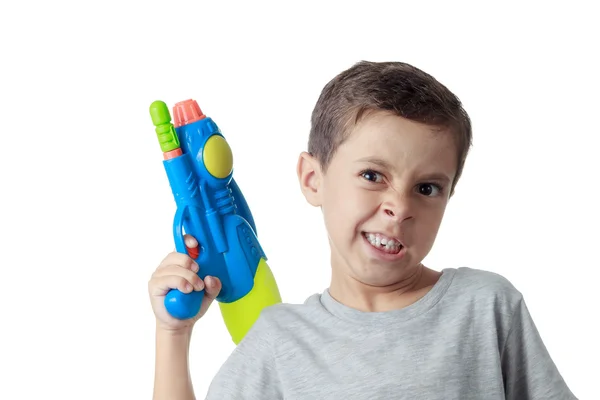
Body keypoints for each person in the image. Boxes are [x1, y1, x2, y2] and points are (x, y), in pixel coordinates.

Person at [148, 61, 577, 399]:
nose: (399, 207)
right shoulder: (279, 339)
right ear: (313, 179)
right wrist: (173, 333)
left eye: (427, 188)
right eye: (373, 176)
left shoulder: (486, 307)